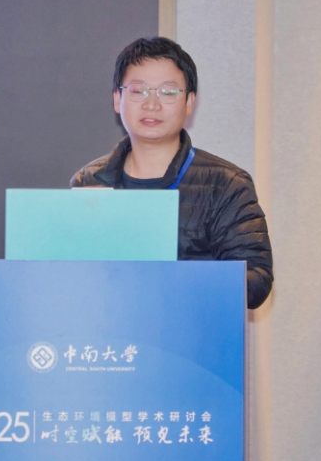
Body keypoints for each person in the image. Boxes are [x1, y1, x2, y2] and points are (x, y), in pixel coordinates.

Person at [70, 37, 273, 309]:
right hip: (112, 329)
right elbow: (72, 275)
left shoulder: (226, 184)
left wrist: (173, 278)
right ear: (117, 99)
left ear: (189, 102)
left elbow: (257, 282)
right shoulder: (88, 180)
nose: (152, 104)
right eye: (139, 91)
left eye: (167, 92)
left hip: (191, 330)